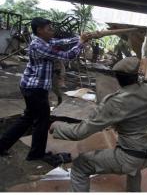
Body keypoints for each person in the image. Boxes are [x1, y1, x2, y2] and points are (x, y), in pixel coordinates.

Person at [50, 56, 147, 192]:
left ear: (117, 78)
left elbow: (79, 132)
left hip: (129, 158)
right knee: (134, 170)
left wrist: (57, 126)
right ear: (136, 76)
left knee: (80, 165)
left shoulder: (115, 102)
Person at [0, 17, 92, 162]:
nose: (52, 31)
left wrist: (81, 38)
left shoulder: (44, 40)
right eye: (49, 29)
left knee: (28, 118)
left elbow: (60, 42)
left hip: (32, 86)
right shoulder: (39, 46)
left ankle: (2, 146)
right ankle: (36, 155)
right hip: (35, 88)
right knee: (42, 121)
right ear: (40, 30)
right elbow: (68, 56)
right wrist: (80, 43)